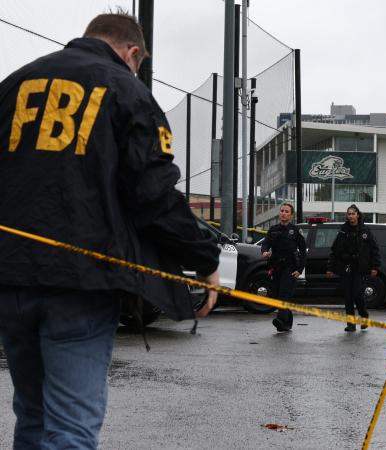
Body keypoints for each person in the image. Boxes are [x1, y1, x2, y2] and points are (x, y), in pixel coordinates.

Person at [0, 13, 220, 449]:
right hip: (82, 279)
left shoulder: (14, 85)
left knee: (33, 415)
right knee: (71, 427)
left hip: (10, 275)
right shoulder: (125, 90)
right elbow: (152, 193)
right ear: (131, 52)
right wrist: (204, 257)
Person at [326, 204, 381, 332]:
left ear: (358, 215)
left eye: (353, 214)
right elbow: (335, 250)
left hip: (360, 267)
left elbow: (374, 250)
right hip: (346, 266)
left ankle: (364, 316)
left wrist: (375, 266)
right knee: (348, 296)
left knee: (357, 294)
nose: (351, 216)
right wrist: (330, 268)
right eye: (349, 214)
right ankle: (351, 324)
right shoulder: (343, 231)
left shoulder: (365, 231)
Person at [261, 202, 306, 332]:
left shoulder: (295, 231)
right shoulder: (273, 229)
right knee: (276, 295)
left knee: (284, 294)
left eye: (287, 212)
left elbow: (303, 251)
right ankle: (287, 323)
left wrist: (299, 270)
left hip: (290, 268)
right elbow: (265, 243)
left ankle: (280, 320)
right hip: (276, 267)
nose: (283, 213)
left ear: (291, 215)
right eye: (282, 211)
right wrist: (264, 251)